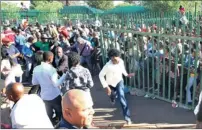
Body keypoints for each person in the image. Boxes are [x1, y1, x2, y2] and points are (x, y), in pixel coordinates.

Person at [99, 48, 134, 125]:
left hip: (119, 82)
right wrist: (106, 87)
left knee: (122, 98)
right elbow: (101, 75)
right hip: (110, 84)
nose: (118, 60)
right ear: (111, 58)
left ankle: (127, 118)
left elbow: (122, 69)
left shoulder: (121, 61)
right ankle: (112, 98)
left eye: (118, 58)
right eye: (115, 59)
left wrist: (127, 75)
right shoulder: (107, 66)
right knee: (112, 95)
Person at [32, 51, 66, 125]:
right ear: (51, 59)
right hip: (54, 95)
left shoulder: (36, 69)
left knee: (48, 115)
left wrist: (43, 81)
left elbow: (34, 82)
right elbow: (56, 84)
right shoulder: (51, 69)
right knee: (59, 113)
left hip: (44, 96)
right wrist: (64, 76)